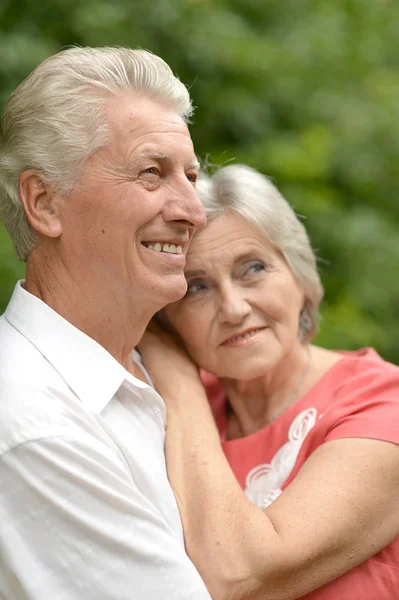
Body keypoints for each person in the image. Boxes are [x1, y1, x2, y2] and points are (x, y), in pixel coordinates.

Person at [0, 46, 212, 599]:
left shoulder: (159, 368)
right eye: (152, 172)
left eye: (191, 176)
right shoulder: (31, 422)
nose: (193, 210)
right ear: (44, 203)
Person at [138, 164, 399, 600]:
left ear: (298, 274)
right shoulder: (151, 413)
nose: (234, 308)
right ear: (167, 318)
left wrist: (178, 381)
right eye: (196, 288)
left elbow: (240, 576)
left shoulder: (381, 404)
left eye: (253, 268)